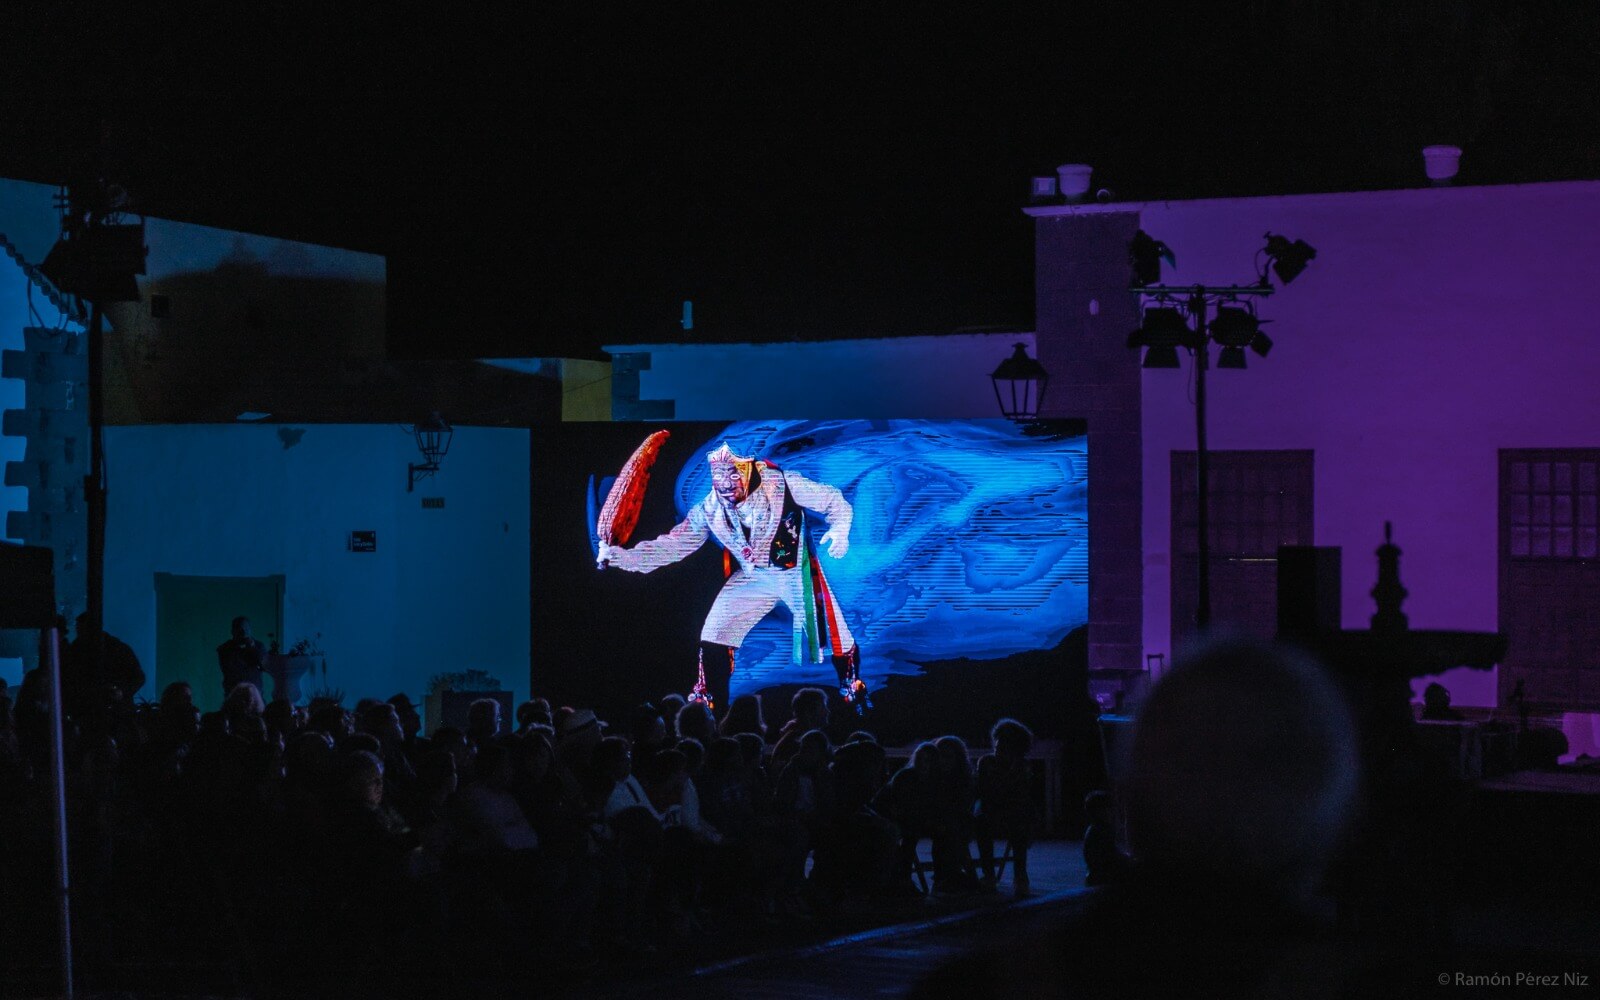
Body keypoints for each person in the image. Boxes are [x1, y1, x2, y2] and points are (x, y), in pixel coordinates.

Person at [598, 441, 867, 714]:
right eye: (718, 475)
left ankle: (851, 683)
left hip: (793, 573)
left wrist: (841, 529)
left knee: (833, 634)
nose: (725, 483)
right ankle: (708, 696)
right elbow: (673, 545)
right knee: (715, 630)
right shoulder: (710, 508)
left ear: (749, 470)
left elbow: (833, 500)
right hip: (754, 576)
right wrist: (623, 557)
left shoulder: (783, 484)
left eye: (733, 474)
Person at [216, 616, 267, 698]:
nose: (244, 633)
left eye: (246, 629)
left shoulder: (258, 646)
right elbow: (228, 669)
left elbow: (265, 666)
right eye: (240, 629)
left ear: (250, 630)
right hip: (233, 695)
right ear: (233, 632)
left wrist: (252, 648)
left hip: (255, 695)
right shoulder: (225, 649)